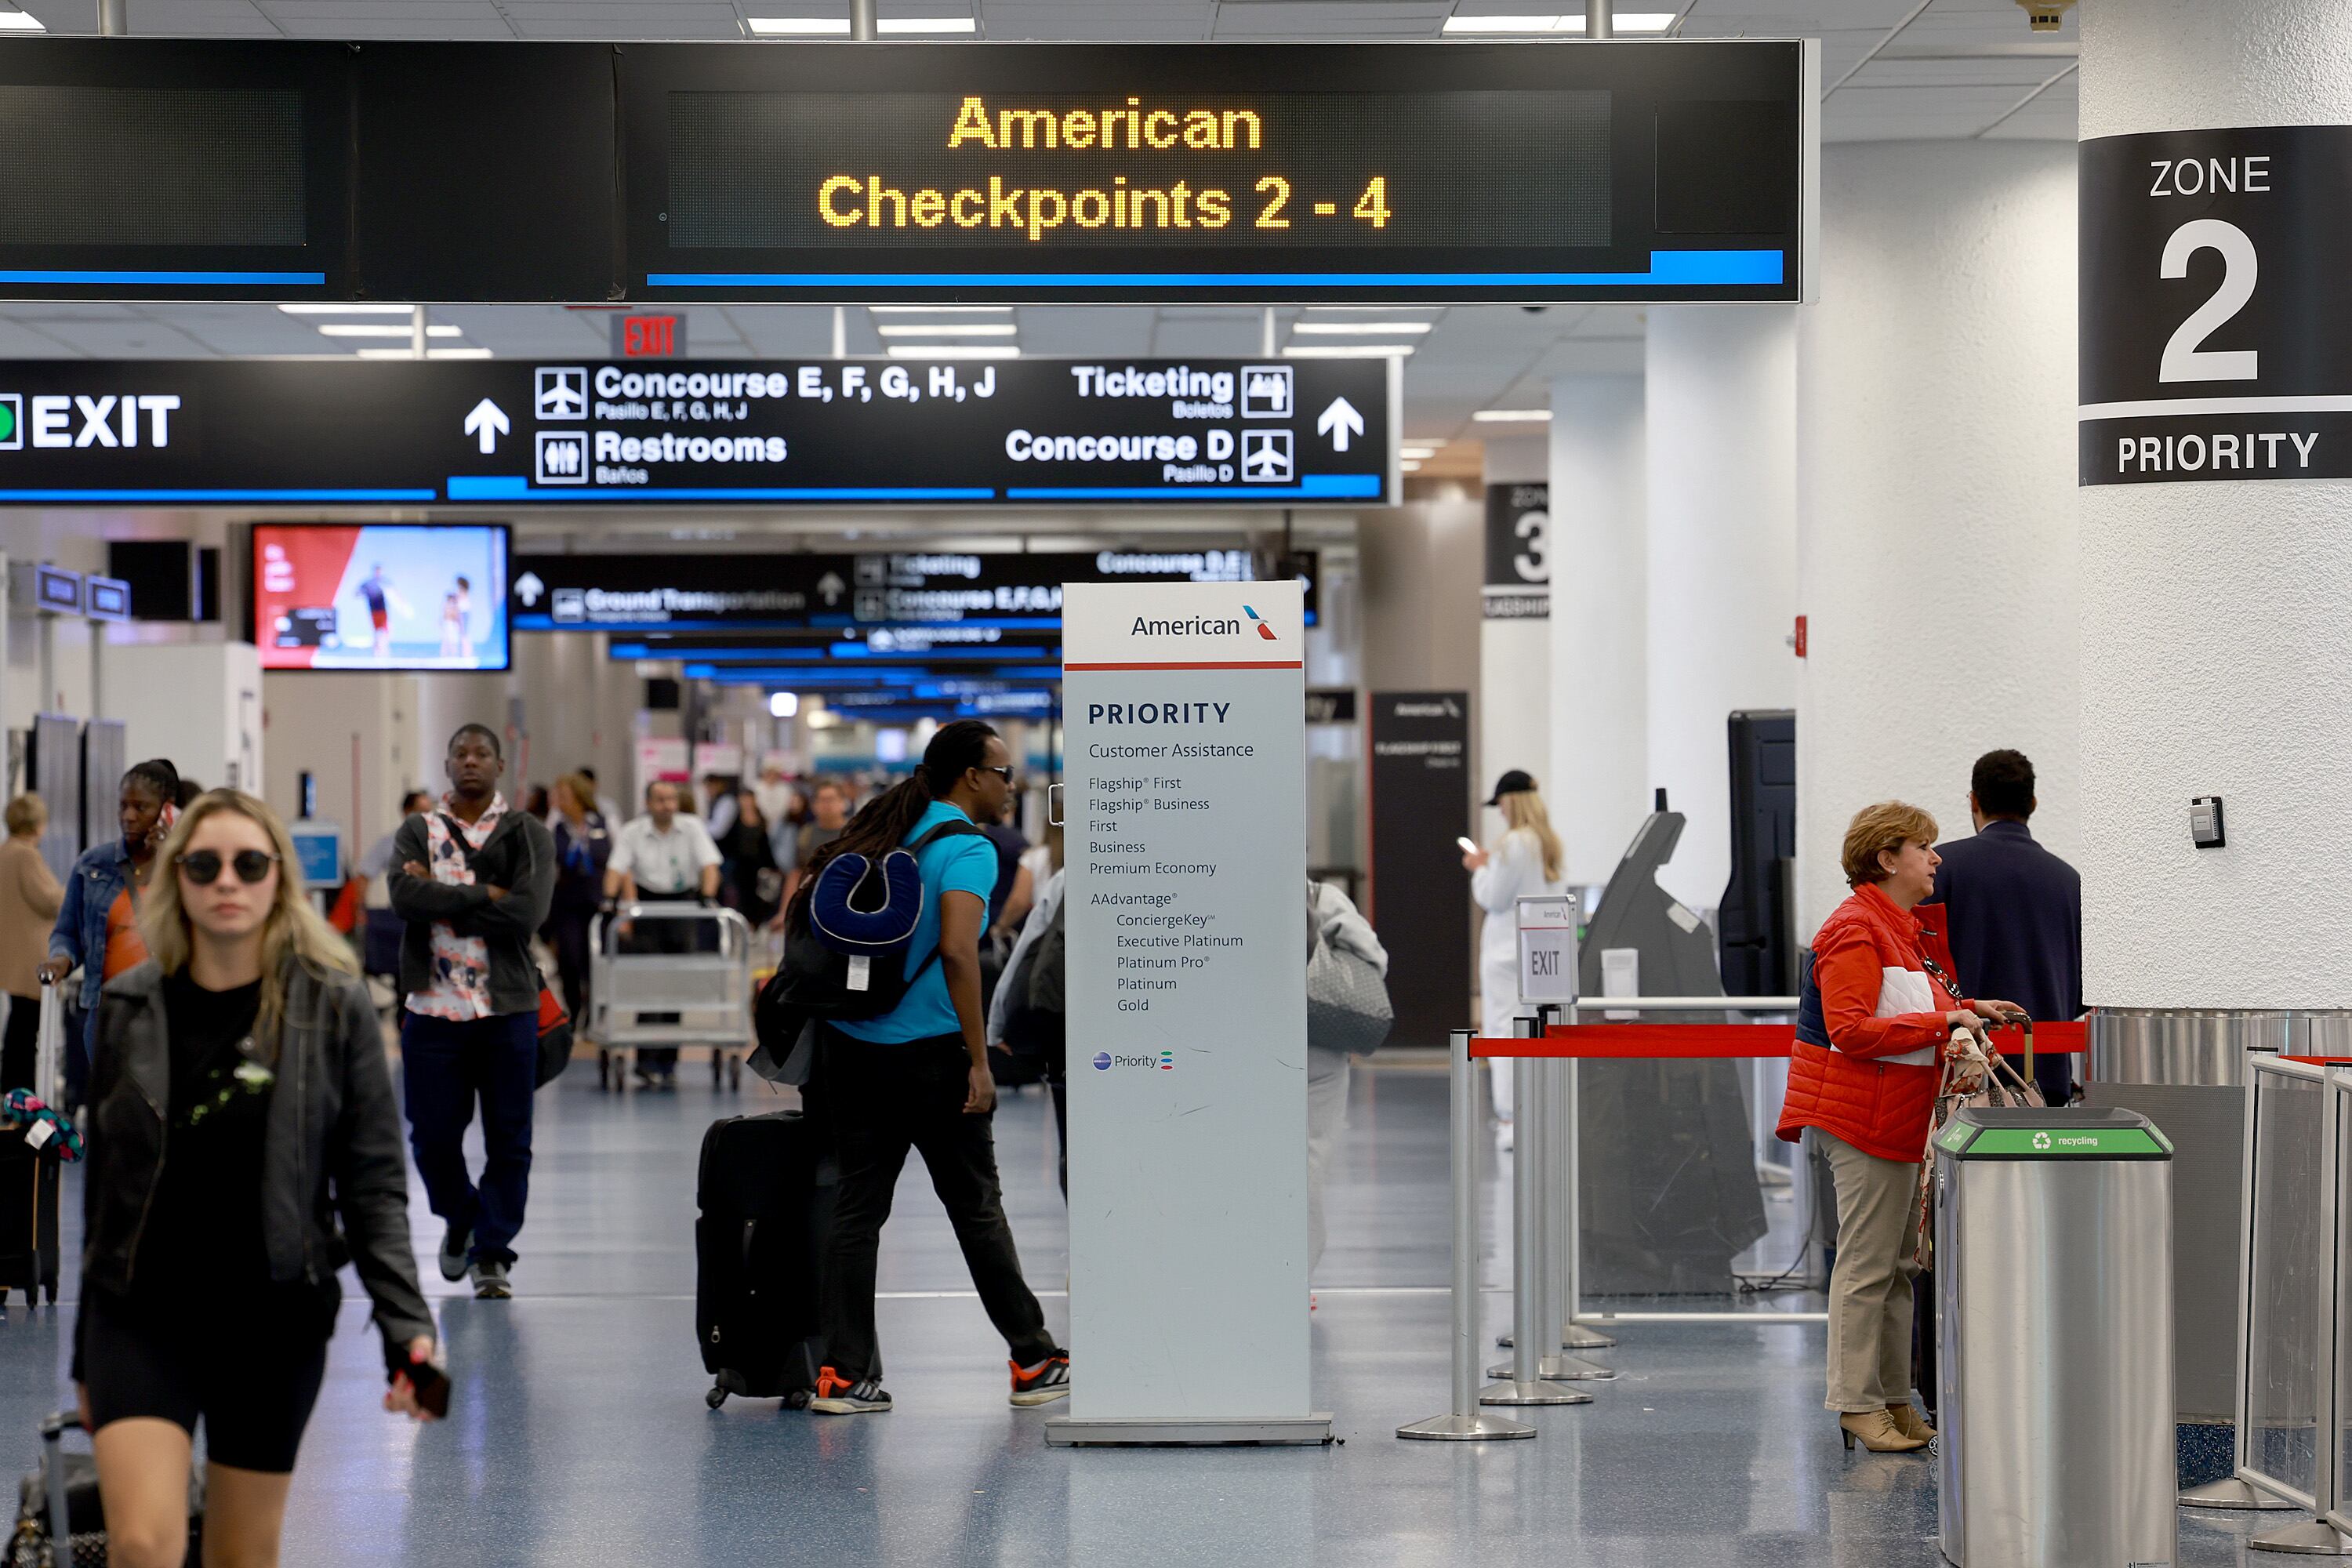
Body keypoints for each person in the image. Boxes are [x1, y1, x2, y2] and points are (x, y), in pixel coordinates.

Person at [76, 789, 439, 1568]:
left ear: (280, 878)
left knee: (243, 1553)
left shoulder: (333, 1005)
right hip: (141, 1312)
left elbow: (373, 1182)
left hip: (272, 1314)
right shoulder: (131, 1004)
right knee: (142, 1541)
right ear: (178, 879)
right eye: (204, 866)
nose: (227, 882)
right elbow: (106, 1184)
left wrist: (408, 1328)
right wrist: (83, 1350)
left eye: (249, 864)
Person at [800, 719, 1069, 1415]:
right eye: (1004, 773)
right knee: (977, 1210)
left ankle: (841, 1375)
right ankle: (1033, 1358)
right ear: (971, 777)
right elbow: (958, 952)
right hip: (930, 1058)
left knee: (857, 1210)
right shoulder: (967, 849)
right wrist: (979, 1060)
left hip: (851, 1048)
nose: (1012, 787)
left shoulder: (884, 833)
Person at [1776, 801, 2020, 1454]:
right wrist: (1945, 1023)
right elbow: (1854, 1031)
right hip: (1862, 1121)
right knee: (1867, 1266)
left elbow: (1908, 1009)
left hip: (1896, 1120)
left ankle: (1891, 1398)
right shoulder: (1856, 930)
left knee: (1898, 1267)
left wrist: (1967, 1009)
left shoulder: (1898, 929)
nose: (1937, 859)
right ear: (1888, 858)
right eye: (1924, 848)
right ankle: (1856, 1403)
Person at [387, 724, 555, 1301]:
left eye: (482, 753)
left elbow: (529, 913)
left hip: (506, 1012)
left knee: (510, 1139)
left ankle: (492, 1254)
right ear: (447, 763)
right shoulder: (419, 830)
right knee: (432, 1138)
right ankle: (461, 1216)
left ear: (499, 764)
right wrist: (486, 896)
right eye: (461, 753)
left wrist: (443, 900)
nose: (471, 762)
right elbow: (404, 899)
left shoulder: (526, 833)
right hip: (432, 1011)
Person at [1929, 749, 2083, 1105]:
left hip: (1960, 1074)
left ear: (1974, 801)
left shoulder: (1938, 870)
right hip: (2044, 1074)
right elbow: (2080, 993)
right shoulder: (2067, 880)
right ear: (2033, 802)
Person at [43, 760, 181, 1102]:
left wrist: (169, 858)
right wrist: (61, 959)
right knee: (112, 1107)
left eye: (140, 807)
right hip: (105, 1010)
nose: (129, 816)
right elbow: (67, 931)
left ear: (165, 811)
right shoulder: (94, 864)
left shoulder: (187, 866)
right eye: (123, 805)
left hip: (167, 1009)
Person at [1461, 770, 1565, 1147]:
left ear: (1511, 802)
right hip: (1542, 952)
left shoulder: (1514, 843)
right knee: (1538, 1032)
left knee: (1504, 1032)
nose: (1501, 813)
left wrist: (1480, 868)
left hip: (1506, 956)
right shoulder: (1548, 842)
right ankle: (1536, 1114)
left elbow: (1494, 897)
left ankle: (1510, 1118)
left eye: (1501, 805)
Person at [604, 779, 721, 1087]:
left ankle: (668, 1062)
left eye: (671, 799)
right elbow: (616, 869)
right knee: (648, 983)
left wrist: (707, 897)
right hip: (647, 906)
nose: (667, 805)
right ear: (648, 802)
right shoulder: (633, 831)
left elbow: (710, 866)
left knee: (676, 984)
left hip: (683, 906)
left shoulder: (692, 827)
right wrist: (609, 899)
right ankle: (645, 1061)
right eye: (660, 799)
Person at [1307, 877, 1388, 1287]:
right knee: (1307, 1158)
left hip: (1241, 1046)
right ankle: (1293, 1277)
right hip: (1315, 1047)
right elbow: (1373, 957)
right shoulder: (1320, 897)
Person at [0, 794, 63, 1091]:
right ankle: (22, 1090)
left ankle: (13, 1087)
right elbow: (48, 900)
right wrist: (71, 895)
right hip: (30, 956)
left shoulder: (5, 852)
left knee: (19, 1024)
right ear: (36, 824)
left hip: (12, 953)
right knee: (28, 1028)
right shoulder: (26, 855)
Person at [542, 773, 610, 1030]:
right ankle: (574, 1009)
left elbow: (616, 862)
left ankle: (595, 1013)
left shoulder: (602, 822)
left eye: (563, 796)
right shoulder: (556, 826)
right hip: (567, 901)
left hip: (596, 901)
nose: (558, 801)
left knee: (595, 959)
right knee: (569, 958)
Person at [778, 777, 851, 920]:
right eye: (822, 800)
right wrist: (784, 911)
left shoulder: (854, 833)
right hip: (812, 906)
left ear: (843, 803)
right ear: (814, 805)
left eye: (831, 799)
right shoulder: (806, 833)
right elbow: (796, 873)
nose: (827, 805)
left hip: (846, 906)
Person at [717, 789, 782, 929]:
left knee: (758, 896)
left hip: (757, 865)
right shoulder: (734, 818)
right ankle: (743, 923)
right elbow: (726, 840)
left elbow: (765, 843)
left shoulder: (761, 818)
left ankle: (755, 924)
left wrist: (773, 865)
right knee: (740, 894)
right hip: (739, 864)